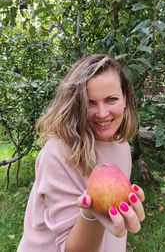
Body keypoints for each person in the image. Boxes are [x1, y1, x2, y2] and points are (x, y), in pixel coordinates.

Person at [17, 53, 145, 252]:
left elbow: (113, 224)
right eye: (90, 103)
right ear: (77, 104)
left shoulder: (122, 147)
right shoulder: (57, 152)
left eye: (111, 99)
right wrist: (91, 214)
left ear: (125, 99)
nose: (102, 113)